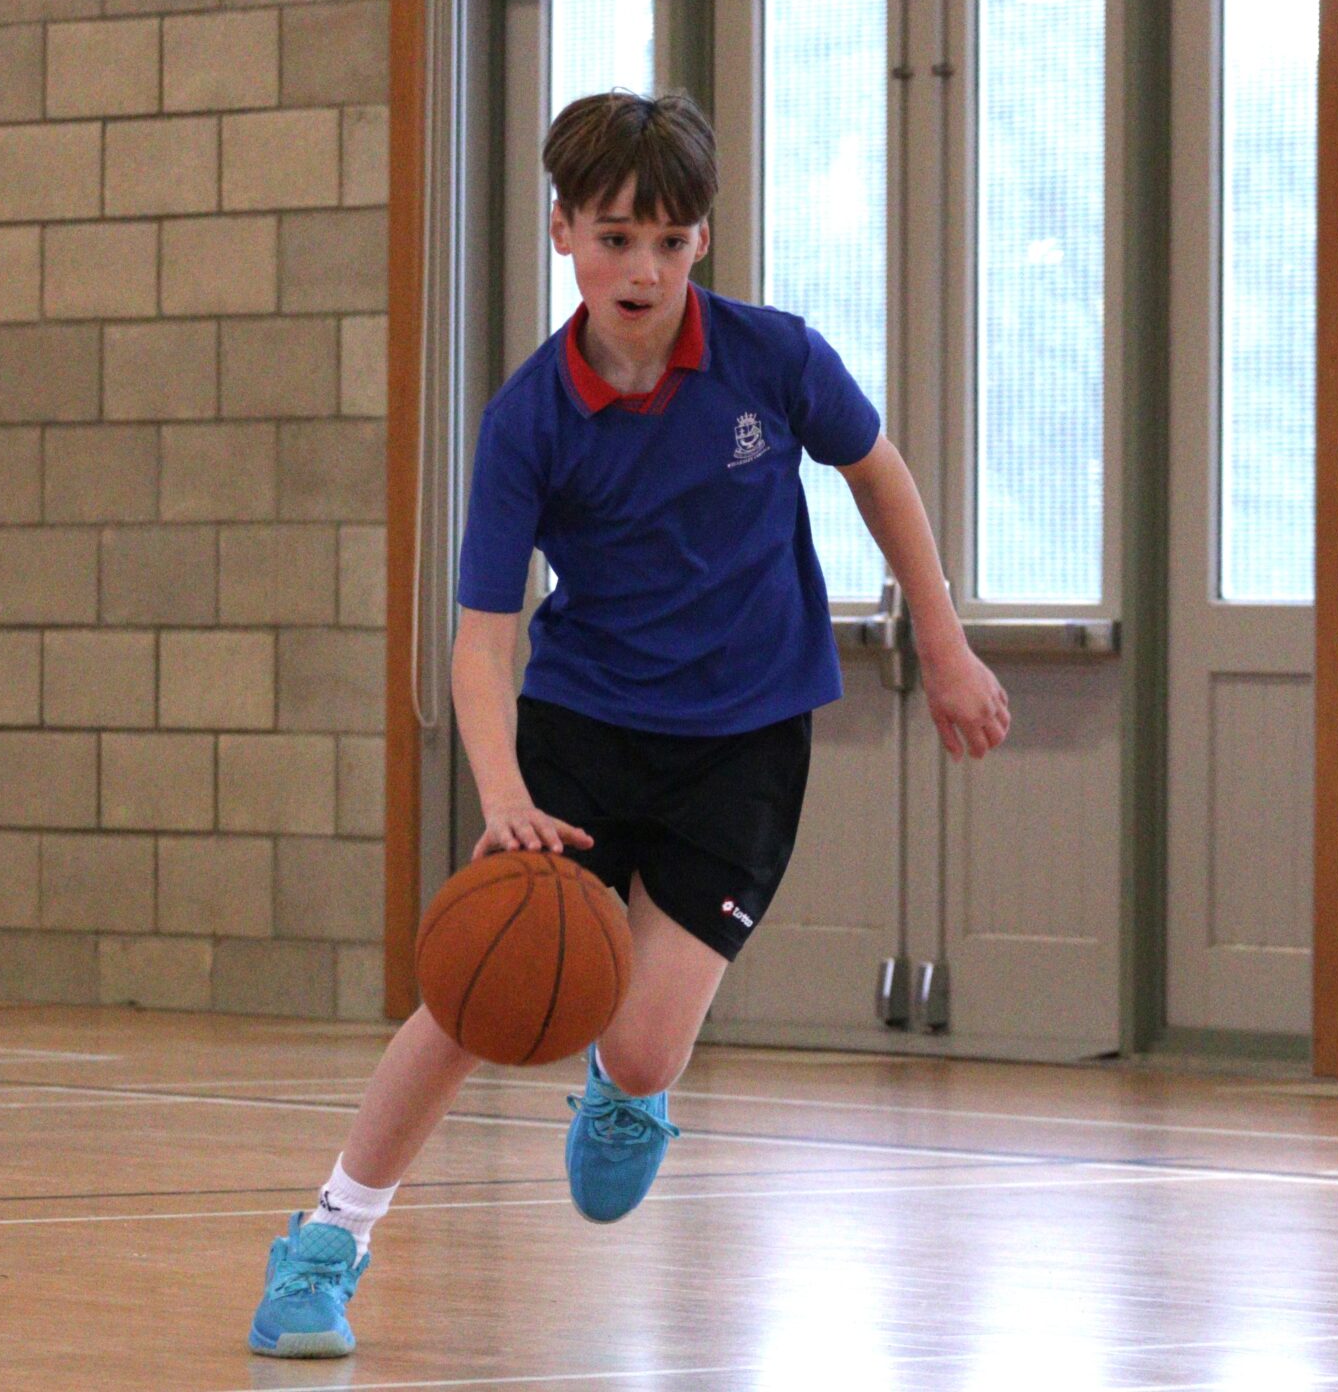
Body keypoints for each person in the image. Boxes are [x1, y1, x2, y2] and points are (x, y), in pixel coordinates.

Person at [247, 90, 1011, 1358]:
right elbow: (484, 640)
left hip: (747, 740)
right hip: (583, 732)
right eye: (612, 237)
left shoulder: (776, 359)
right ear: (561, 233)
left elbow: (879, 474)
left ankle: (625, 1096)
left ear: (701, 241)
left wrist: (944, 643)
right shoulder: (530, 420)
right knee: (469, 997)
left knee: (647, 1051)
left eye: (667, 240)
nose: (641, 268)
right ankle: (328, 1240)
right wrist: (503, 799)